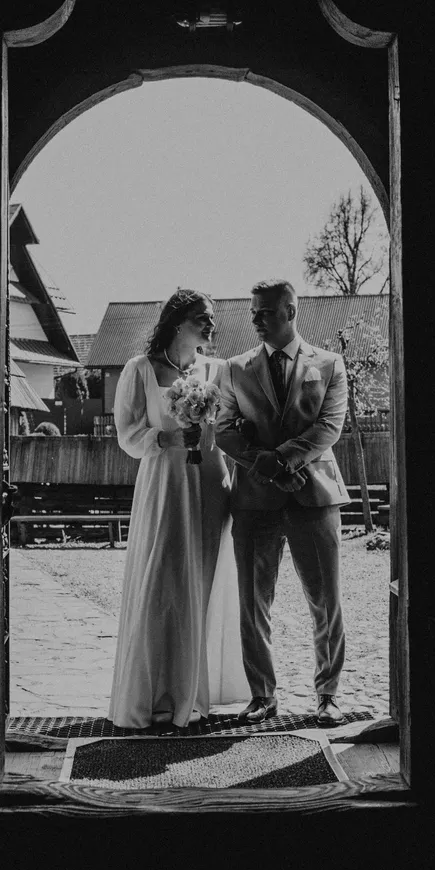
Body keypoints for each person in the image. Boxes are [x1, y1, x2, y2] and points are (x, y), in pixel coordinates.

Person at [106, 289, 252, 732]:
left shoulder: (217, 370)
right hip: (164, 484)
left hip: (209, 483)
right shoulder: (140, 369)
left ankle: (191, 696)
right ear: (176, 321)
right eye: (202, 317)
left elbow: (233, 427)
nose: (211, 325)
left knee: (199, 585)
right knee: (160, 583)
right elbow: (127, 435)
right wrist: (166, 438)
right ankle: (152, 695)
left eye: (211, 318)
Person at [214, 279, 350, 727]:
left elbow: (329, 426)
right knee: (253, 602)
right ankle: (262, 695)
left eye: (266, 312)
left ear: (290, 311)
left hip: (314, 495)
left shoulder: (329, 364)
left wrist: (284, 460)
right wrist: (268, 467)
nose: (256, 319)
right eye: (253, 311)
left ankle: (328, 694)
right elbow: (224, 430)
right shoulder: (233, 369)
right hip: (255, 499)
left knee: (326, 600)